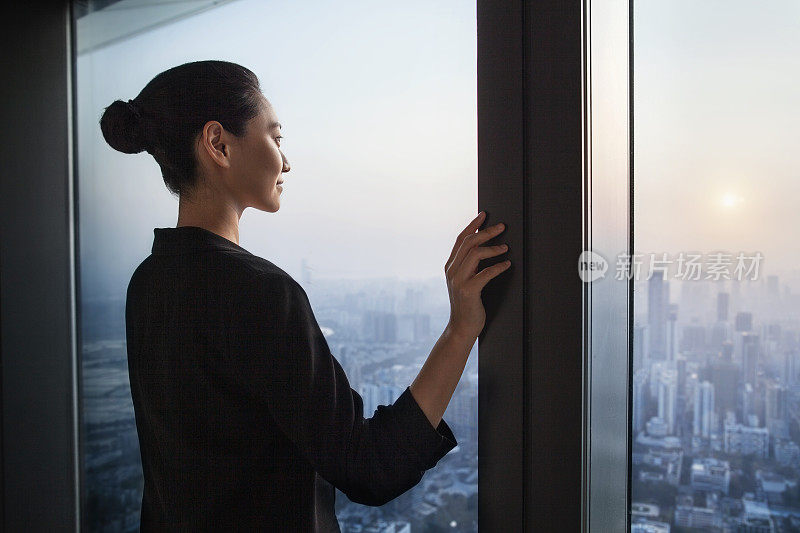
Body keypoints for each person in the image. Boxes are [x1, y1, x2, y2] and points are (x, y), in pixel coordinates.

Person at [100, 60, 511, 531]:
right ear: (218, 144)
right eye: (275, 137)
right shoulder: (262, 294)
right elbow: (370, 467)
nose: (286, 160)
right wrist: (461, 329)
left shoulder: (148, 282)